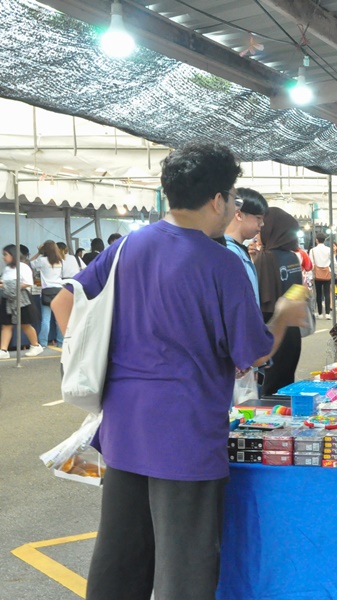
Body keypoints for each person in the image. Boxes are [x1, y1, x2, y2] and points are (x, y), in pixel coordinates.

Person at [50, 141, 308, 600]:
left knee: (121, 553)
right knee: (185, 562)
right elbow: (253, 353)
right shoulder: (221, 263)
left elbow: (62, 301)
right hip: (185, 428)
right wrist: (284, 317)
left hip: (124, 422)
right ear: (217, 200)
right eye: (233, 197)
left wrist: (94, 352)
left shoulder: (127, 246)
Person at [254, 207, 305, 396]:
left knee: (270, 391)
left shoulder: (266, 257)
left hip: (273, 331)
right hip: (292, 333)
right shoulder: (292, 257)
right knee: (285, 386)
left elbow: (262, 302)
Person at [224, 187, 268, 305]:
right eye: (258, 218)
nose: (262, 224)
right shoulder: (230, 254)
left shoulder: (237, 250)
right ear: (239, 215)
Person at [0, 244, 42, 358]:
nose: (3, 257)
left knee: (25, 324)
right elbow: (4, 282)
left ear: (13, 255)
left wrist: (9, 286)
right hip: (8, 298)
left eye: (5, 254)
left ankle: (35, 345)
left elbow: (28, 283)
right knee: (6, 324)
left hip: (21, 298)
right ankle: (3, 350)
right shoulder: (7, 268)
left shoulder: (23, 267)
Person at [31, 240, 67, 347]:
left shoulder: (42, 261)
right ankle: (60, 343)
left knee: (46, 319)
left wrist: (38, 252)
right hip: (59, 290)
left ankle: (43, 343)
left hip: (47, 291)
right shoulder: (60, 261)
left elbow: (29, 263)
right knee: (59, 319)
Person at [311, 233, 335, 319]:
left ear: (316, 240)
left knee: (318, 293)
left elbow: (311, 264)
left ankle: (320, 313)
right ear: (324, 240)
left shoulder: (313, 250)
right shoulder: (329, 249)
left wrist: (310, 276)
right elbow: (334, 261)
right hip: (327, 273)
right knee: (327, 293)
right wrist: (335, 272)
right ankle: (328, 313)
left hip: (317, 273)